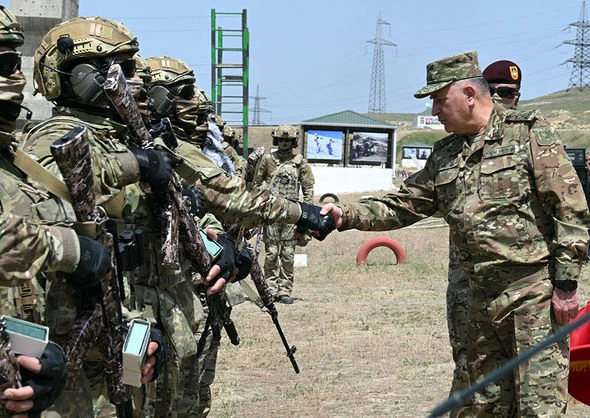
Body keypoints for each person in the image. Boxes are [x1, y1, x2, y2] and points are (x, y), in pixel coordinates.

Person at [320, 51, 589, 416]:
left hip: (532, 297)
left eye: (439, 99)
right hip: (480, 300)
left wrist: (567, 286)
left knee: (538, 407)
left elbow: (570, 209)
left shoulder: (528, 133)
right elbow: (403, 204)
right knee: (482, 406)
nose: (434, 110)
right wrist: (345, 214)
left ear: (469, 95)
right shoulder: (445, 154)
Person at [443, 58, 524, 417]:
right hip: (468, 283)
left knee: (526, 375)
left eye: (513, 94)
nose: (507, 100)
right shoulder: (455, 149)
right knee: (470, 368)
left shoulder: (530, 138)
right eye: (499, 92)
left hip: (523, 289)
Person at [252, 125, 315, 304]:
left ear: (293, 142)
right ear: (276, 141)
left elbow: (308, 189)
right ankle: (270, 290)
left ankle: (285, 290)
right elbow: (256, 184)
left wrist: (307, 214)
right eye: (281, 140)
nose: (284, 143)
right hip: (272, 213)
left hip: (292, 214)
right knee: (271, 253)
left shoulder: (300, 163)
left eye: (288, 140)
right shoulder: (267, 160)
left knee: (287, 254)